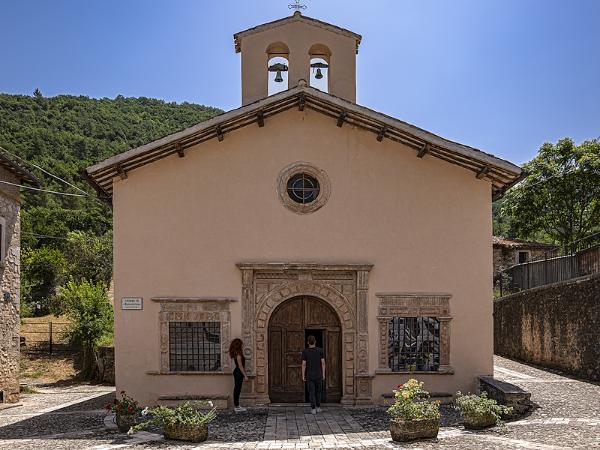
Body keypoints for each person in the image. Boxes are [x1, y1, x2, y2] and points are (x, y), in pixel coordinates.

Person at [301, 335, 326, 415]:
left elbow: (304, 364)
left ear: (308, 342)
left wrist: (303, 375)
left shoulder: (305, 352)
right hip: (318, 374)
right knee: (318, 391)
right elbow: (323, 363)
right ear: (315, 342)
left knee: (311, 392)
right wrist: (323, 374)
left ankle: (313, 409)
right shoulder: (320, 350)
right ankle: (318, 407)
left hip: (309, 375)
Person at [229, 338, 248, 412]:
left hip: (237, 372)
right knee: (237, 389)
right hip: (238, 372)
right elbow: (240, 366)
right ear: (239, 345)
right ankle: (236, 406)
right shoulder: (238, 355)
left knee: (237, 389)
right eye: (241, 344)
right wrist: (245, 375)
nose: (242, 345)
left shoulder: (237, 353)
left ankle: (237, 405)